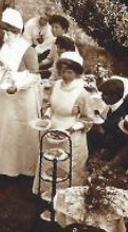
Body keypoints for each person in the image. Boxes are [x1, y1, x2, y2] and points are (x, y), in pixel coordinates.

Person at [0, 9, 41, 177]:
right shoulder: (6, 45)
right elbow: (4, 66)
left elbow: (35, 76)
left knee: (15, 131)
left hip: (21, 99)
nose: (5, 36)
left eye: (8, 33)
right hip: (5, 94)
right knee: (1, 127)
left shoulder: (28, 51)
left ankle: (18, 168)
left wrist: (17, 86)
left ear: (16, 32)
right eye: (4, 32)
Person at [34, 51, 93, 195]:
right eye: (62, 71)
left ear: (78, 73)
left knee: (66, 166)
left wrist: (72, 128)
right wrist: (47, 117)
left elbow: (87, 120)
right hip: (52, 130)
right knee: (49, 162)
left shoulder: (82, 93)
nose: (65, 75)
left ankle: (65, 195)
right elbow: (49, 106)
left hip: (71, 134)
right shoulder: (55, 85)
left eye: (70, 72)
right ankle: (47, 192)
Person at [87, 78, 128, 157]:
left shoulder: (123, 115)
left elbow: (118, 140)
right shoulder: (117, 105)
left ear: (114, 96)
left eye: (104, 95)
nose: (102, 97)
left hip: (115, 149)